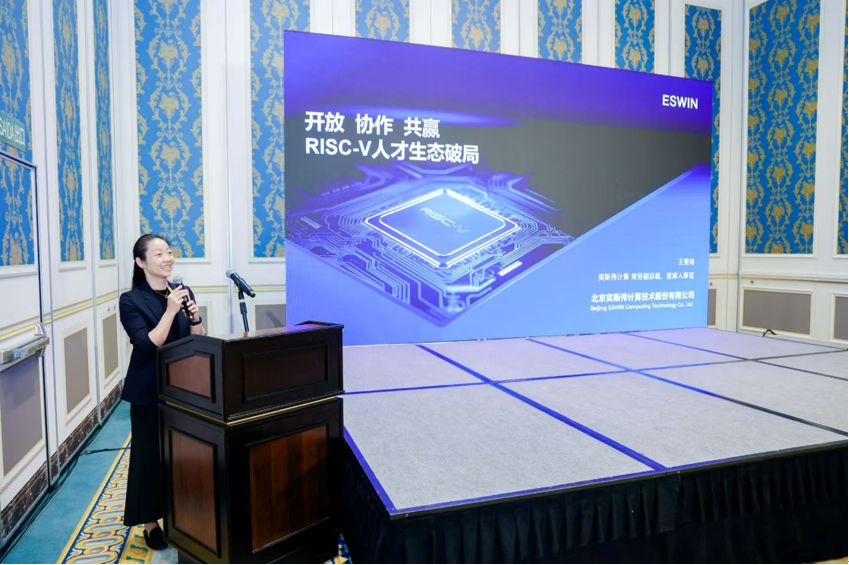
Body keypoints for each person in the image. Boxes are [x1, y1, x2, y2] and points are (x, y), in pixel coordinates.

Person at [119, 234, 205, 550]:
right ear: (140, 262)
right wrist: (170, 311)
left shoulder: (182, 291)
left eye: (169, 252)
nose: (167, 258)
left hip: (183, 387)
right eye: (158, 254)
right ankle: (150, 523)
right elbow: (147, 345)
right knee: (149, 457)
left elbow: (197, 337)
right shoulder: (131, 300)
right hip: (149, 389)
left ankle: (184, 513)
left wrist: (195, 317)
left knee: (184, 455)